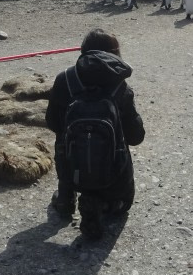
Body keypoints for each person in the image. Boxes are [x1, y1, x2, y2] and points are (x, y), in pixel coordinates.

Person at [44, 28, 145, 239]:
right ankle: (109, 201)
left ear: (83, 51)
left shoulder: (65, 79)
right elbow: (136, 137)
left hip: (73, 170)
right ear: (114, 53)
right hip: (112, 172)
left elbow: (53, 122)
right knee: (122, 207)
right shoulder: (119, 85)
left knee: (63, 138)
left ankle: (66, 198)